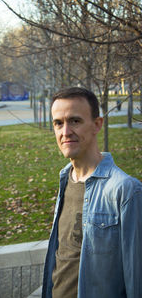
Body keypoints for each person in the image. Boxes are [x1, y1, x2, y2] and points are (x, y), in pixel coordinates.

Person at [42, 87, 142, 298]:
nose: (65, 132)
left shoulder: (125, 190)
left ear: (97, 124)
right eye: (58, 123)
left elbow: (136, 279)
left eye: (75, 121)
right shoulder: (65, 179)